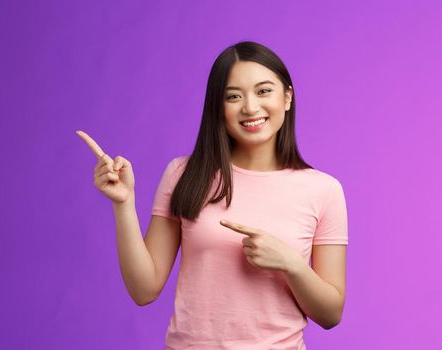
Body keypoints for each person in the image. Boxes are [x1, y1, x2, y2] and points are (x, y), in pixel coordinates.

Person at [77, 41, 347, 349]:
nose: (250, 107)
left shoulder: (323, 189)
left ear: (287, 97)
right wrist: (124, 205)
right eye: (233, 96)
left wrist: (292, 265)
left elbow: (330, 314)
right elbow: (144, 289)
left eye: (263, 91)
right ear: (218, 107)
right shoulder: (184, 174)